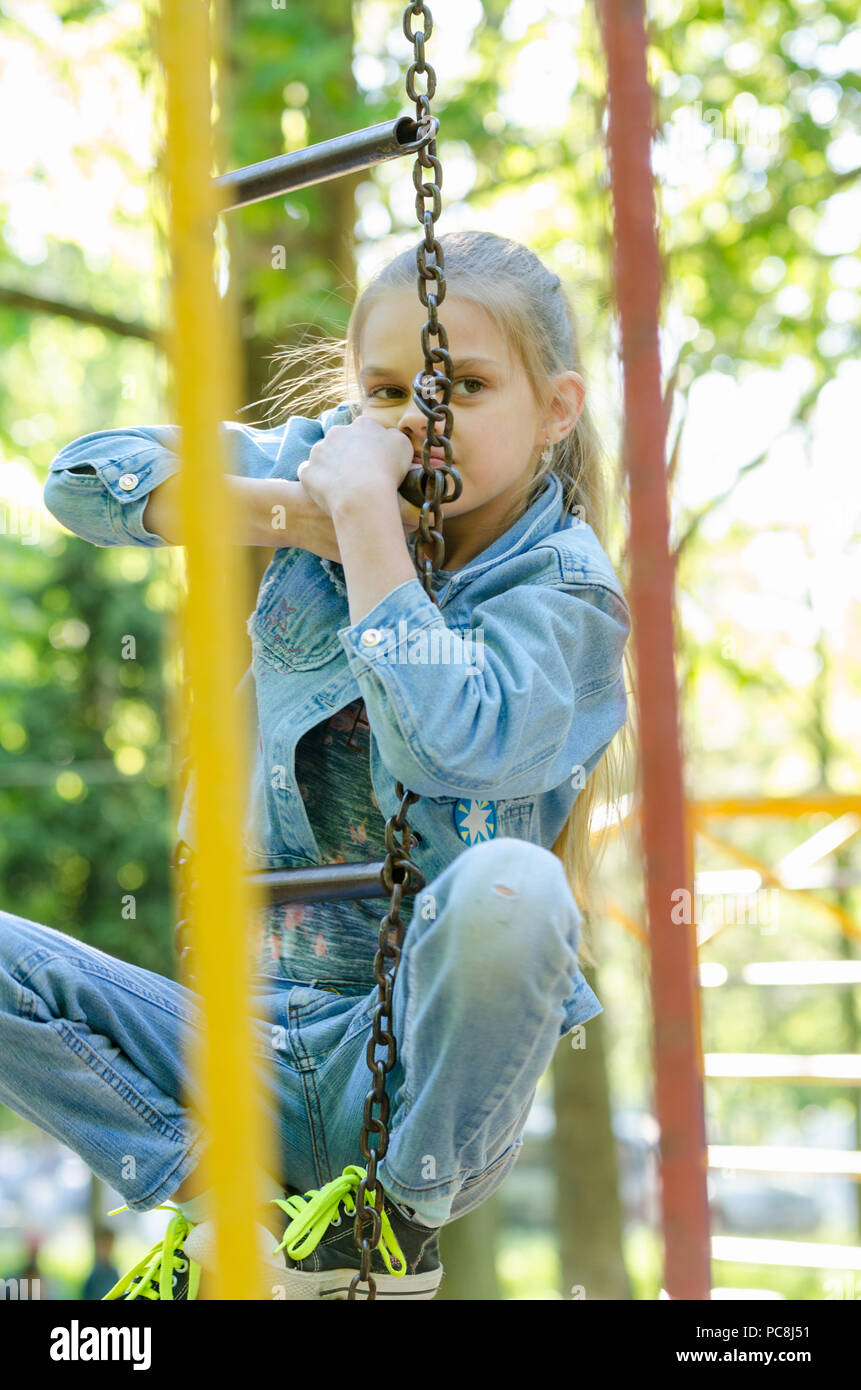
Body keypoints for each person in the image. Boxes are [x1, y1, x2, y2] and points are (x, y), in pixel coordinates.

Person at [2, 229, 632, 1300]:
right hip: (248, 1032)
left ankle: (378, 1232)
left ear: (555, 410)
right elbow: (84, 480)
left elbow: (451, 741)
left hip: (416, 1067)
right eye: (385, 389)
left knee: (514, 890)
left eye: (464, 386)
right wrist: (312, 511)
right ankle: (236, 1211)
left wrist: (370, 535)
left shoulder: (566, 594)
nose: (414, 420)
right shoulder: (329, 466)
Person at [81, 1227, 120, 1300]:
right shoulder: (94, 1275)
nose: (107, 1249)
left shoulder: (114, 1273)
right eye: (104, 1245)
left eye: (109, 1244)